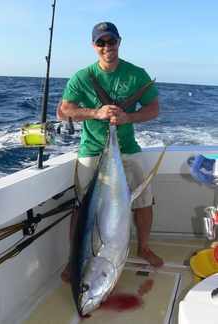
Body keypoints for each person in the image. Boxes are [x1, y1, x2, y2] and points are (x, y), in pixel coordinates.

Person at [57, 22, 164, 284]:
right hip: (93, 149)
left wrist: (128, 117)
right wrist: (96, 113)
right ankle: (75, 258)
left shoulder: (136, 73)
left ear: (119, 42)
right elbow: (63, 111)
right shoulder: (83, 76)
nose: (107, 47)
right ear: (94, 46)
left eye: (111, 41)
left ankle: (144, 247)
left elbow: (154, 108)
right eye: (101, 42)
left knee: (144, 201)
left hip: (127, 148)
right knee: (83, 207)